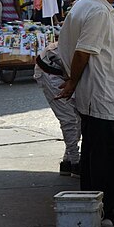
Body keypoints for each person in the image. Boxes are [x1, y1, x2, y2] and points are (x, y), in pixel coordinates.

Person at [57, 0, 114, 227]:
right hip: (100, 93)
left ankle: (92, 208)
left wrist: (74, 82)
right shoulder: (99, 10)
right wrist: (73, 81)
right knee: (105, 156)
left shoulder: (84, 6)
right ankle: (106, 211)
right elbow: (83, 51)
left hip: (94, 92)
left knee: (92, 154)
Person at [34, 42, 81, 176]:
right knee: (69, 118)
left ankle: (69, 160)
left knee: (77, 116)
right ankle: (75, 162)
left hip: (58, 67)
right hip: (50, 71)